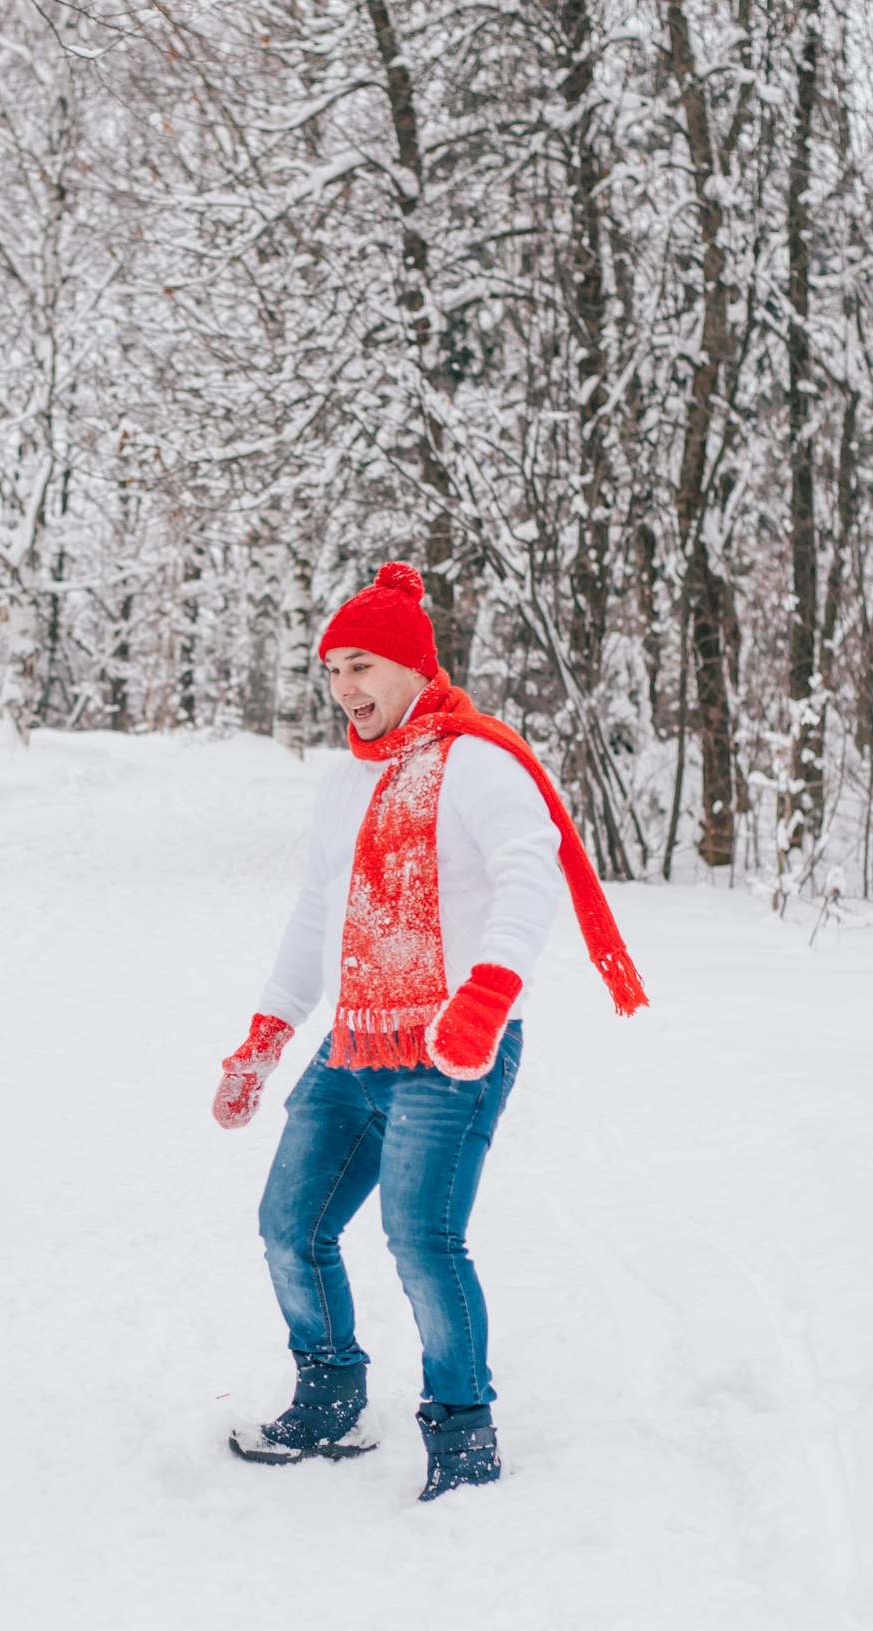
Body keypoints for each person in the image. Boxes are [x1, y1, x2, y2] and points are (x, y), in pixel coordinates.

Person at [212, 562, 648, 1501]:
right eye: (331, 672)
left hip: (453, 1052)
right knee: (290, 1225)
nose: (345, 690)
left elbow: (530, 876)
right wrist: (266, 1032)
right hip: (355, 1045)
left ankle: (464, 1436)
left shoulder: (480, 762)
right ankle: (330, 1399)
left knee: (421, 1237)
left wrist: (488, 992)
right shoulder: (345, 782)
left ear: (412, 664)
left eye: (361, 666)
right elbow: (314, 911)